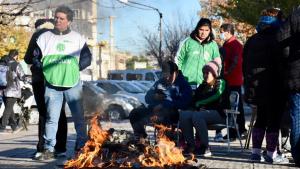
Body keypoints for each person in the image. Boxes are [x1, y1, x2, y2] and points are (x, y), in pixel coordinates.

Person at [31, 5, 92, 160]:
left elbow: (87, 57)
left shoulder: (78, 38)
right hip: (52, 85)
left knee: (78, 117)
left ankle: (82, 146)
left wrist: (75, 67)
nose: (57, 20)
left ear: (69, 21)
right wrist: (44, 69)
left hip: (73, 84)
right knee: (52, 118)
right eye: (56, 17)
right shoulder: (44, 37)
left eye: (61, 18)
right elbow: (36, 58)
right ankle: (49, 149)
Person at [243, 8, 288, 164]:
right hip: (275, 86)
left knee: (260, 119)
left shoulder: (252, 39)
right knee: (274, 120)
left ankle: (255, 153)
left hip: (256, 87)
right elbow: (282, 63)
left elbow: (245, 65)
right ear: (278, 20)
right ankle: (271, 154)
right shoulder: (279, 37)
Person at [24, 18, 68, 159]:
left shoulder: (38, 34)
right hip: (61, 80)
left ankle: (43, 148)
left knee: (44, 113)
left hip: (41, 79)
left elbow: (27, 58)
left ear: (37, 26)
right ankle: (61, 148)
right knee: (60, 113)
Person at [129, 61, 192, 142]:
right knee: (134, 113)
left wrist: (164, 104)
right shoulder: (160, 82)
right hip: (154, 111)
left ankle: (164, 141)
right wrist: (154, 97)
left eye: (169, 76)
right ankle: (141, 138)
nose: (167, 78)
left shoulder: (183, 85)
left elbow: (184, 103)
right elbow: (147, 98)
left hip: (172, 114)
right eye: (164, 75)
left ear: (175, 73)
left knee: (165, 113)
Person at [179, 61, 228, 156]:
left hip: (219, 114)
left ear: (214, 73)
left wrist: (200, 105)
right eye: (203, 73)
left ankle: (205, 147)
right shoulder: (203, 86)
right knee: (184, 115)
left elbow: (217, 96)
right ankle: (191, 146)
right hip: (202, 114)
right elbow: (193, 101)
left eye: (207, 73)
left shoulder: (221, 82)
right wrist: (188, 107)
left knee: (197, 116)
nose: (205, 75)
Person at [277, 5, 300, 167]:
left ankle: (298, 156)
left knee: (297, 118)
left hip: (295, 74)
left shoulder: (294, 15)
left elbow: (280, 38)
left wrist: (288, 58)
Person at [217, 23, 247, 141]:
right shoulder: (226, 44)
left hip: (234, 81)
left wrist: (227, 73)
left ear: (228, 32)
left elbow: (235, 62)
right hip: (226, 81)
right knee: (229, 107)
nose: (221, 34)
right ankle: (232, 131)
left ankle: (240, 130)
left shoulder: (236, 44)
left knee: (236, 107)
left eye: (222, 31)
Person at [175, 18, 222, 86]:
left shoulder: (213, 45)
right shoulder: (187, 42)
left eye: (206, 30)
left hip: (204, 84)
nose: (203, 33)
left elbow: (217, 63)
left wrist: (215, 79)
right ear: (197, 29)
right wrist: (179, 76)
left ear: (210, 31)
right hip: (186, 83)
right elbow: (178, 59)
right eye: (201, 29)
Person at [0, 50, 26, 134]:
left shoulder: (3, 63)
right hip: (12, 90)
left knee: (9, 108)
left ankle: (14, 127)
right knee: (8, 109)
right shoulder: (15, 64)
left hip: (3, 89)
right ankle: (2, 127)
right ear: (16, 56)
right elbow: (22, 76)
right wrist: (29, 80)